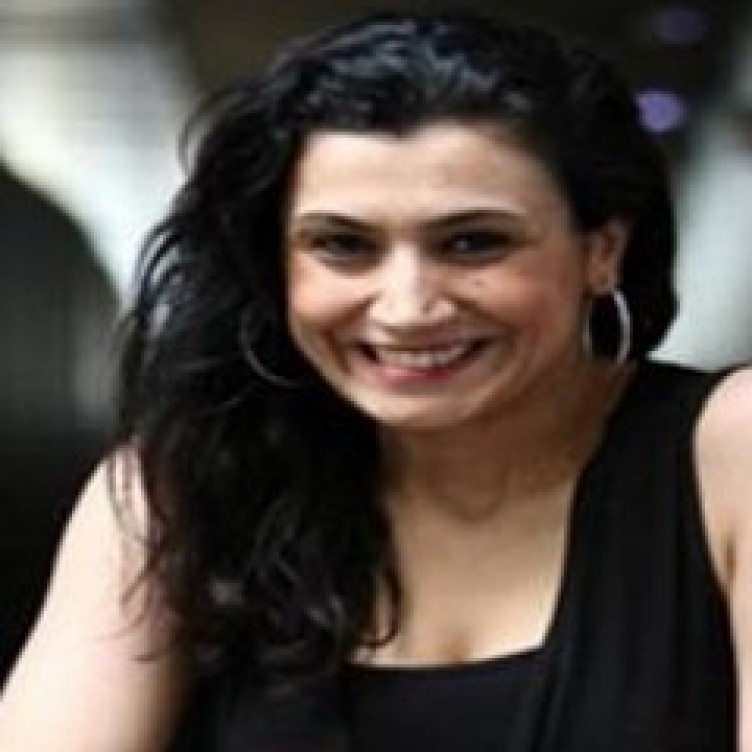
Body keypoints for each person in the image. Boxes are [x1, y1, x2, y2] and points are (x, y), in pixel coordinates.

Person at [1, 9, 750, 751]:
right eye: (342, 245)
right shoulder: (177, 494)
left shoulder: (727, 452)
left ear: (602, 251)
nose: (407, 307)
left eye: (473, 243)